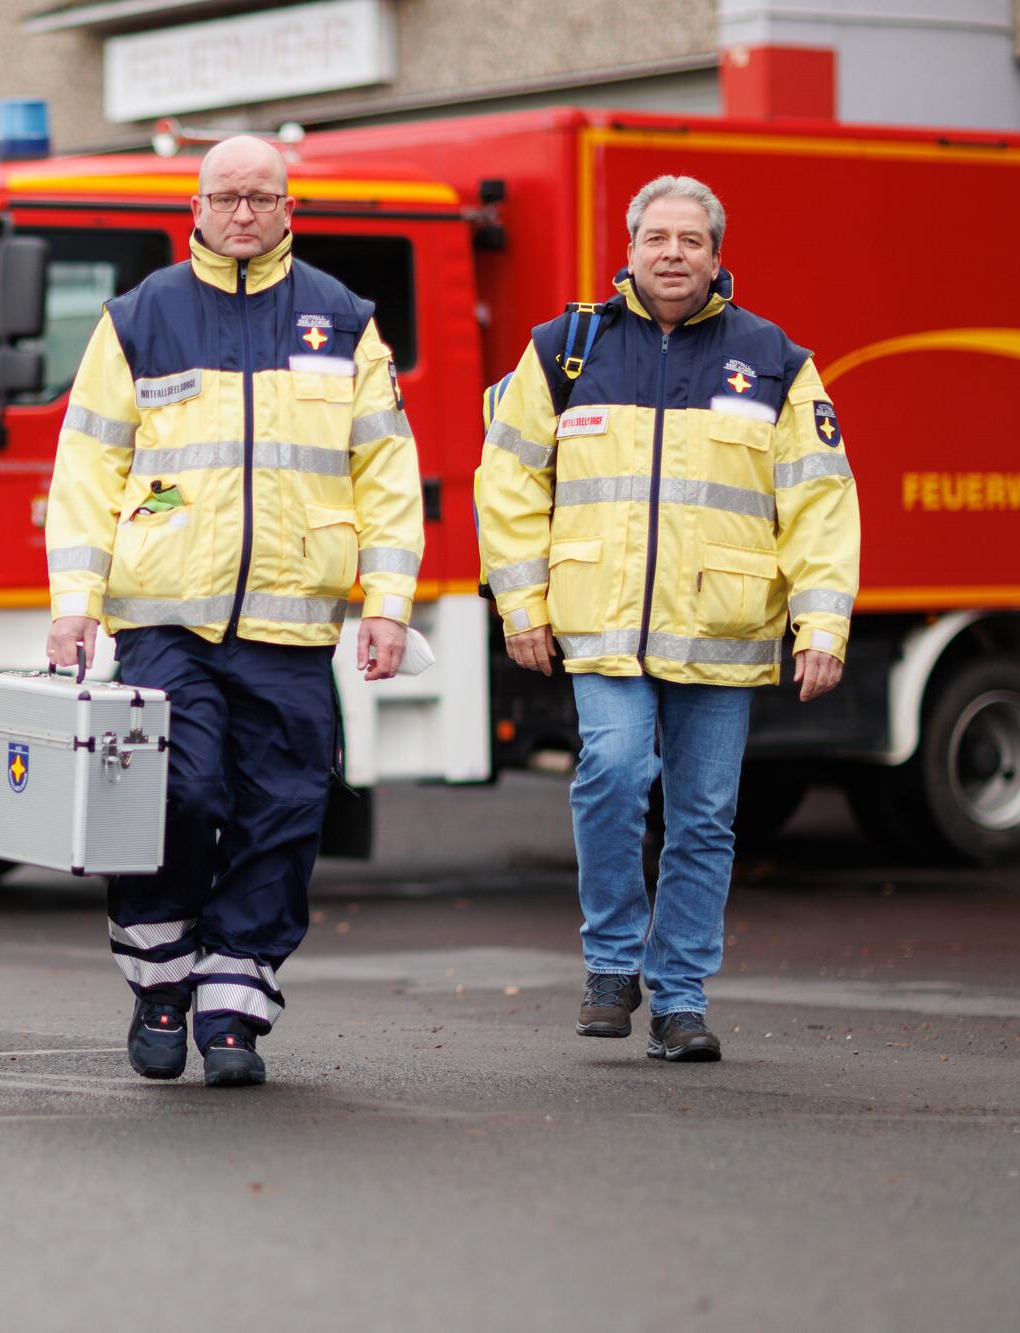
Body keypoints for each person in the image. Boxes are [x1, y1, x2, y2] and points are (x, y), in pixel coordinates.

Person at [44, 135, 425, 1087]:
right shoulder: (141, 317)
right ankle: (160, 983)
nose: (244, 212)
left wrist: (387, 603)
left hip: (292, 625)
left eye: (261, 196)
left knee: (284, 813)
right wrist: (74, 603)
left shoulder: (343, 321)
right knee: (179, 793)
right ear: (197, 207)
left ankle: (231, 1012)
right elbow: (88, 467)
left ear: (291, 207)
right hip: (164, 615)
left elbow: (386, 472)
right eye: (227, 197)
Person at [477, 175, 860, 1062]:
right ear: (631, 250)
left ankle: (680, 998)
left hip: (724, 629)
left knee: (705, 818)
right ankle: (613, 963)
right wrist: (522, 605)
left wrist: (822, 625)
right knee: (612, 771)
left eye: (692, 240)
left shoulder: (774, 360)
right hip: (603, 625)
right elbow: (508, 480)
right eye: (658, 238)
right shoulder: (565, 350)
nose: (674, 254)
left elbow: (821, 502)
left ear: (717, 256)